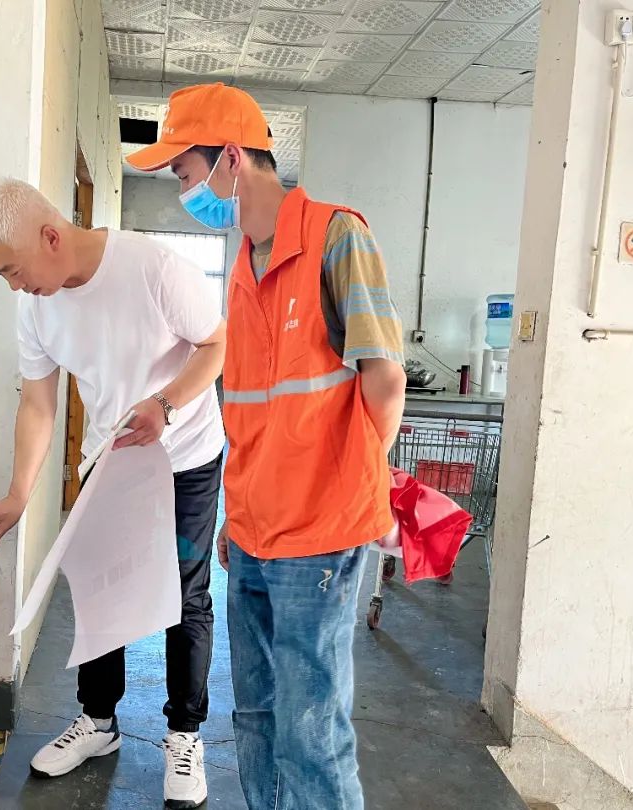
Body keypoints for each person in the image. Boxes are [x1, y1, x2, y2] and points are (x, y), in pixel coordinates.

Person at [127, 84, 407, 810]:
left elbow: (384, 380)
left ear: (230, 159)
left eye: (185, 173)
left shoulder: (337, 237)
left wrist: (363, 490)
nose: (185, 192)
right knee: (254, 718)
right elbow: (250, 415)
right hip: (253, 536)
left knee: (310, 731)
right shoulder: (244, 268)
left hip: (319, 536)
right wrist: (235, 517)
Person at [0, 178, 226, 809]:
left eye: (13, 270)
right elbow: (38, 403)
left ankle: (184, 734)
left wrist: (167, 404)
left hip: (184, 457)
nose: (14, 287)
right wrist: (18, 494)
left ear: (50, 237)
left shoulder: (155, 270)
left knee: (184, 594)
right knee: (100, 587)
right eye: (2, 276)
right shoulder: (37, 308)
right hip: (107, 463)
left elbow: (218, 344)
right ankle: (99, 722)